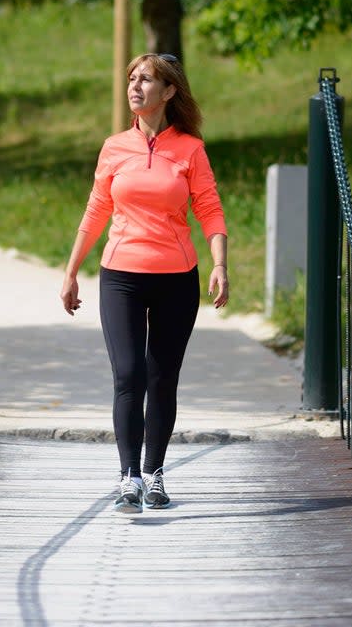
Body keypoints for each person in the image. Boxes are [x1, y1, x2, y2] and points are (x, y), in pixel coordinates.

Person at [60, 52, 229, 515]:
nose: (135, 86)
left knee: (162, 377)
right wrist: (72, 270)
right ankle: (128, 476)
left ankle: (154, 473)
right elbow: (96, 210)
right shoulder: (115, 147)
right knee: (129, 375)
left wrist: (219, 264)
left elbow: (209, 208)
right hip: (121, 278)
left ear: (169, 91)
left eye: (146, 79)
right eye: (131, 78)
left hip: (177, 278)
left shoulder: (190, 149)